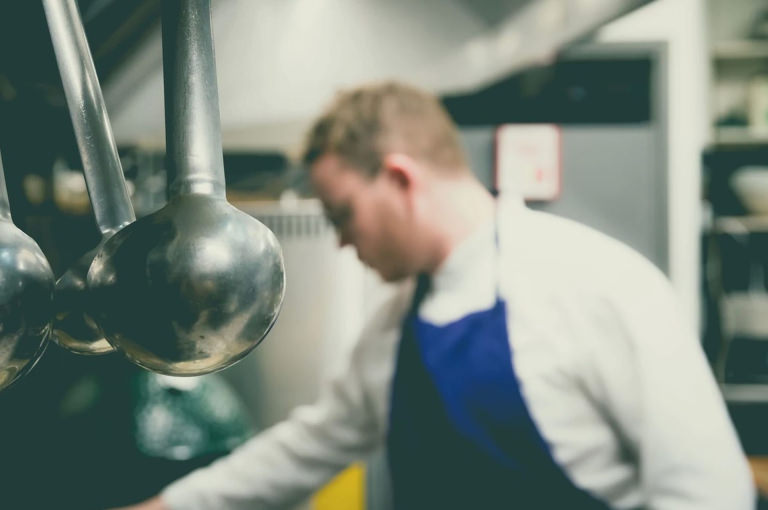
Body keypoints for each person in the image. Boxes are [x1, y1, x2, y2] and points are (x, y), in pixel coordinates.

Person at [117, 81, 754, 510]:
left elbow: (709, 492)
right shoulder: (397, 324)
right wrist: (171, 506)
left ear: (399, 179)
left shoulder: (598, 283)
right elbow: (310, 446)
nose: (341, 243)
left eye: (343, 215)